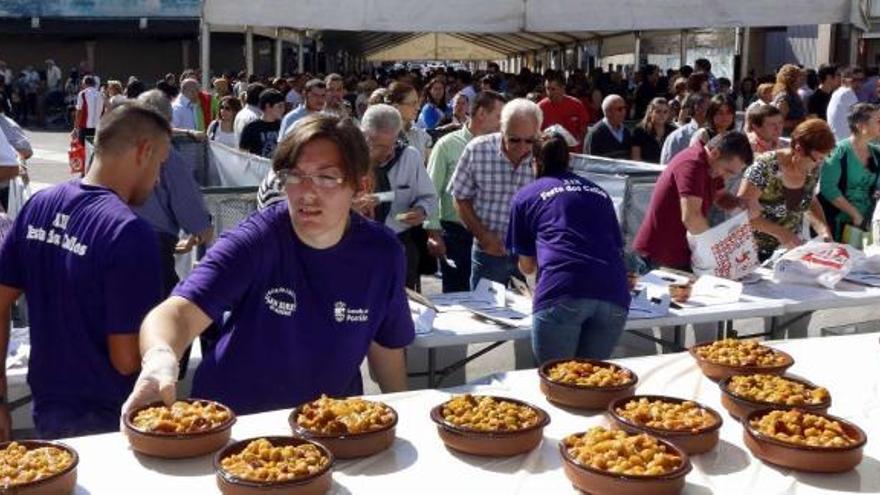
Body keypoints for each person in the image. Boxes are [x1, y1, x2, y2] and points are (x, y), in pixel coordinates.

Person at [121, 114, 415, 417]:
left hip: (330, 425)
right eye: (295, 175)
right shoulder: (256, 240)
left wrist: (406, 418)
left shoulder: (382, 253)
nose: (307, 192)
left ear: (359, 186)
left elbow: (387, 350)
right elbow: (177, 312)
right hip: (236, 425)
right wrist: (159, 360)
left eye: (327, 178)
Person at [0, 104, 170, 439]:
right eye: (161, 164)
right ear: (144, 151)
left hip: (48, 411)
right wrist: (171, 334)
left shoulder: (39, 204)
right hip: (111, 422)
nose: (159, 178)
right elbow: (125, 359)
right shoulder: (131, 233)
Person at [508, 134, 629, 362]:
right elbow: (617, 247)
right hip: (614, 292)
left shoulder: (525, 196)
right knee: (591, 381)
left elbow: (526, 264)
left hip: (562, 290)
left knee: (557, 382)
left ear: (535, 161)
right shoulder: (600, 192)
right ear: (569, 160)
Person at [450, 98, 539, 288]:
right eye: (514, 139)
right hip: (489, 252)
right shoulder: (477, 149)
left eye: (529, 140)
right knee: (485, 313)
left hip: (532, 256)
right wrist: (483, 235)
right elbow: (460, 197)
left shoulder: (543, 155)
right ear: (502, 128)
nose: (523, 147)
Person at [634, 132, 754, 271]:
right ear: (715, 153)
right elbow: (691, 217)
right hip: (661, 254)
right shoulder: (692, 164)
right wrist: (718, 252)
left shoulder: (712, 166)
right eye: (728, 171)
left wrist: (740, 203)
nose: (726, 177)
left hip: (681, 252)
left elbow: (720, 197)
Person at [425, 91, 505, 293]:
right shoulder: (447, 145)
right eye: (499, 116)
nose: (502, 123)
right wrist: (433, 233)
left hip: (491, 236)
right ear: (480, 113)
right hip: (455, 235)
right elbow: (430, 191)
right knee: (457, 295)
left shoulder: (502, 146)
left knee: (491, 296)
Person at [353, 105, 437, 291]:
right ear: (362, 135)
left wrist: (421, 210)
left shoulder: (409, 156)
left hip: (399, 245)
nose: (390, 151)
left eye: (394, 142)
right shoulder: (346, 160)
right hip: (355, 248)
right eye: (381, 145)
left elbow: (429, 197)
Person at [738, 119, 835, 261]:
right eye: (817, 158)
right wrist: (781, 233)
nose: (819, 164)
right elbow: (741, 211)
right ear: (799, 149)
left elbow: (810, 201)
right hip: (752, 252)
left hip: (789, 253)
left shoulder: (812, 169)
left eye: (823, 159)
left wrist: (823, 230)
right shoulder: (765, 166)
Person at [819, 104, 880, 241]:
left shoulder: (876, 152)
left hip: (868, 224)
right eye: (878, 121)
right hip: (840, 224)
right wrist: (855, 215)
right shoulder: (839, 151)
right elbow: (827, 187)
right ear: (861, 126)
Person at [538, 72, 589, 151]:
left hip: (574, 154)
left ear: (563, 89)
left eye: (553, 89)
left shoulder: (577, 105)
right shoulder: (540, 107)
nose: (549, 93)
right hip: (550, 154)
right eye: (547, 88)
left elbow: (583, 131)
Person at [385, 82, 432, 161]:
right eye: (413, 103)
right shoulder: (383, 138)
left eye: (418, 103)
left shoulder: (420, 135)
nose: (418, 107)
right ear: (396, 107)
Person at [660, 93, 709, 164]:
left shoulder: (719, 136)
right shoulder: (677, 137)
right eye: (708, 107)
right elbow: (667, 167)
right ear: (696, 109)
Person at [583, 95, 632, 159]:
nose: (624, 112)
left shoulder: (626, 132)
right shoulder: (595, 133)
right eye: (619, 109)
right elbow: (590, 161)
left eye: (625, 108)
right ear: (608, 112)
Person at [239, 89, 285, 158]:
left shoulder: (284, 125)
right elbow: (243, 153)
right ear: (268, 106)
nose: (283, 109)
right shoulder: (251, 127)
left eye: (283, 106)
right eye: (280, 106)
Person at [631, 97, 676, 164]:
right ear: (650, 113)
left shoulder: (673, 131)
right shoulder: (639, 131)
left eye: (665, 112)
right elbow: (636, 159)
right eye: (658, 111)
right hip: (647, 171)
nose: (662, 115)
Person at [828, 66, 864, 141]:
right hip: (845, 142)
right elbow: (860, 118)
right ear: (844, 80)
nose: (859, 83)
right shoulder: (848, 93)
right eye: (854, 80)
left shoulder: (837, 92)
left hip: (836, 140)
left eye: (861, 80)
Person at [771, 65, 808, 133]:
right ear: (791, 79)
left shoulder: (795, 94)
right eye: (800, 76)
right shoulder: (784, 97)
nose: (803, 78)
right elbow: (778, 122)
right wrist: (801, 121)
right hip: (785, 137)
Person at [72, 75, 104, 145]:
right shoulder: (101, 95)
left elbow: (79, 112)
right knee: (94, 150)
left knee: (85, 150)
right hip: (97, 127)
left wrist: (75, 128)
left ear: (85, 83)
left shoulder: (83, 94)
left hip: (85, 127)